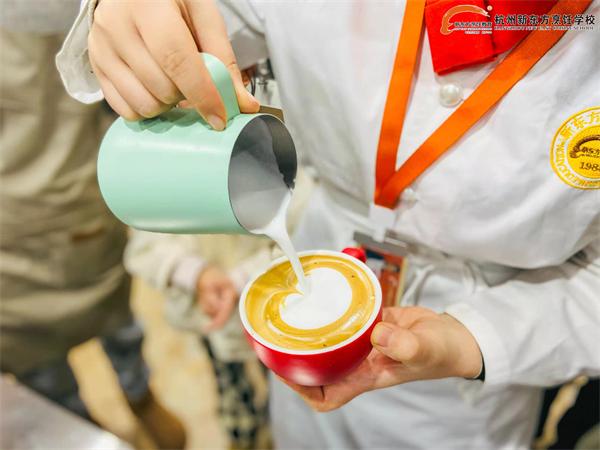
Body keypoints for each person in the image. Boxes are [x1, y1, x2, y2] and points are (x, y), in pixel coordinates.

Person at [56, 0, 600, 448]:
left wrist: (475, 338)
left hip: (470, 370)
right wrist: (128, 17)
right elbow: (198, 23)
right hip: (318, 269)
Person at [0, 3, 185, 449]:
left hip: (83, 192)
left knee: (116, 320)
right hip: (13, 230)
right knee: (44, 363)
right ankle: (78, 420)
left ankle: (137, 394)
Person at [124, 164, 314, 449]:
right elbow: (146, 243)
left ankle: (280, 427)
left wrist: (241, 278)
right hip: (209, 316)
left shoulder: (274, 166)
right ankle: (243, 431)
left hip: (273, 310)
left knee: (285, 383)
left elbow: (302, 228)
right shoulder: (163, 172)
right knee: (231, 382)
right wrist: (196, 273)